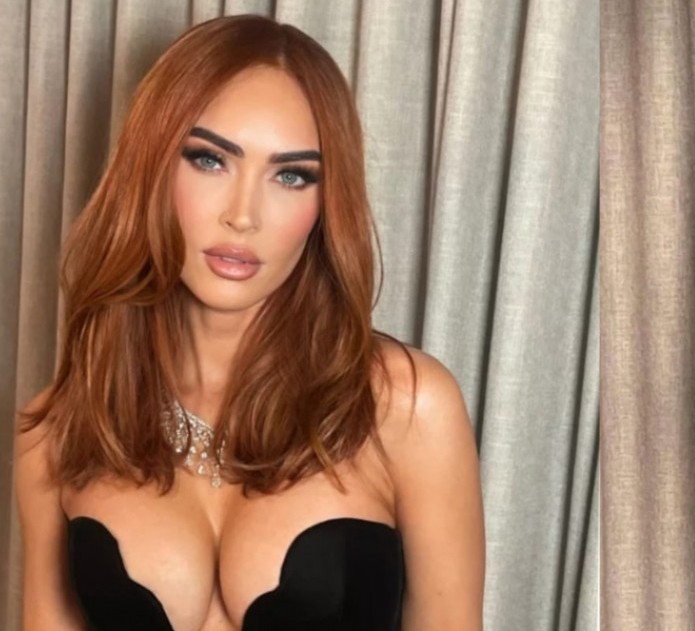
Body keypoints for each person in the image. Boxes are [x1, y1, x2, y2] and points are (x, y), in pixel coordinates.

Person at [14, 15, 484, 631]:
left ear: (324, 205)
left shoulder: (404, 407)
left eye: (291, 175)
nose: (244, 216)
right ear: (150, 169)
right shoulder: (58, 432)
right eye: (209, 160)